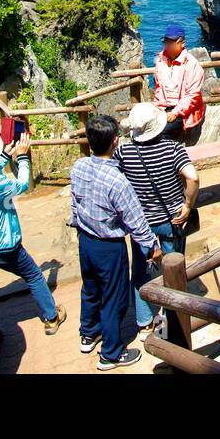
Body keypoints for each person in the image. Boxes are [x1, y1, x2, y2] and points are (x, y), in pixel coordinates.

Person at [0, 126, 65, 352]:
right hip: (4, 243)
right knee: (34, 275)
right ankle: (51, 316)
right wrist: (23, 157)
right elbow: (22, 184)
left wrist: (5, 156)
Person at [70, 114, 161, 369]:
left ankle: (89, 334)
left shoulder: (78, 167)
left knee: (90, 289)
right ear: (115, 142)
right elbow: (135, 220)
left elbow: (74, 203)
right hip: (109, 246)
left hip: (85, 240)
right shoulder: (117, 181)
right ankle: (110, 353)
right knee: (114, 298)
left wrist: (77, 224)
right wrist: (152, 246)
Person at [116, 103, 199, 337]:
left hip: (140, 223)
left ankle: (144, 323)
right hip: (172, 219)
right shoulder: (174, 149)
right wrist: (187, 205)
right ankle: (171, 321)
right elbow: (192, 177)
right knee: (171, 270)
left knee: (142, 271)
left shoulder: (124, 152)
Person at [153, 24, 207, 145]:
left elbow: (192, 96)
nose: (167, 45)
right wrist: (156, 109)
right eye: (166, 41)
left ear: (182, 43)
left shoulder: (192, 65)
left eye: (171, 42)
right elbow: (158, 89)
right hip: (163, 108)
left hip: (183, 111)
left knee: (162, 133)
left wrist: (175, 112)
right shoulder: (160, 61)